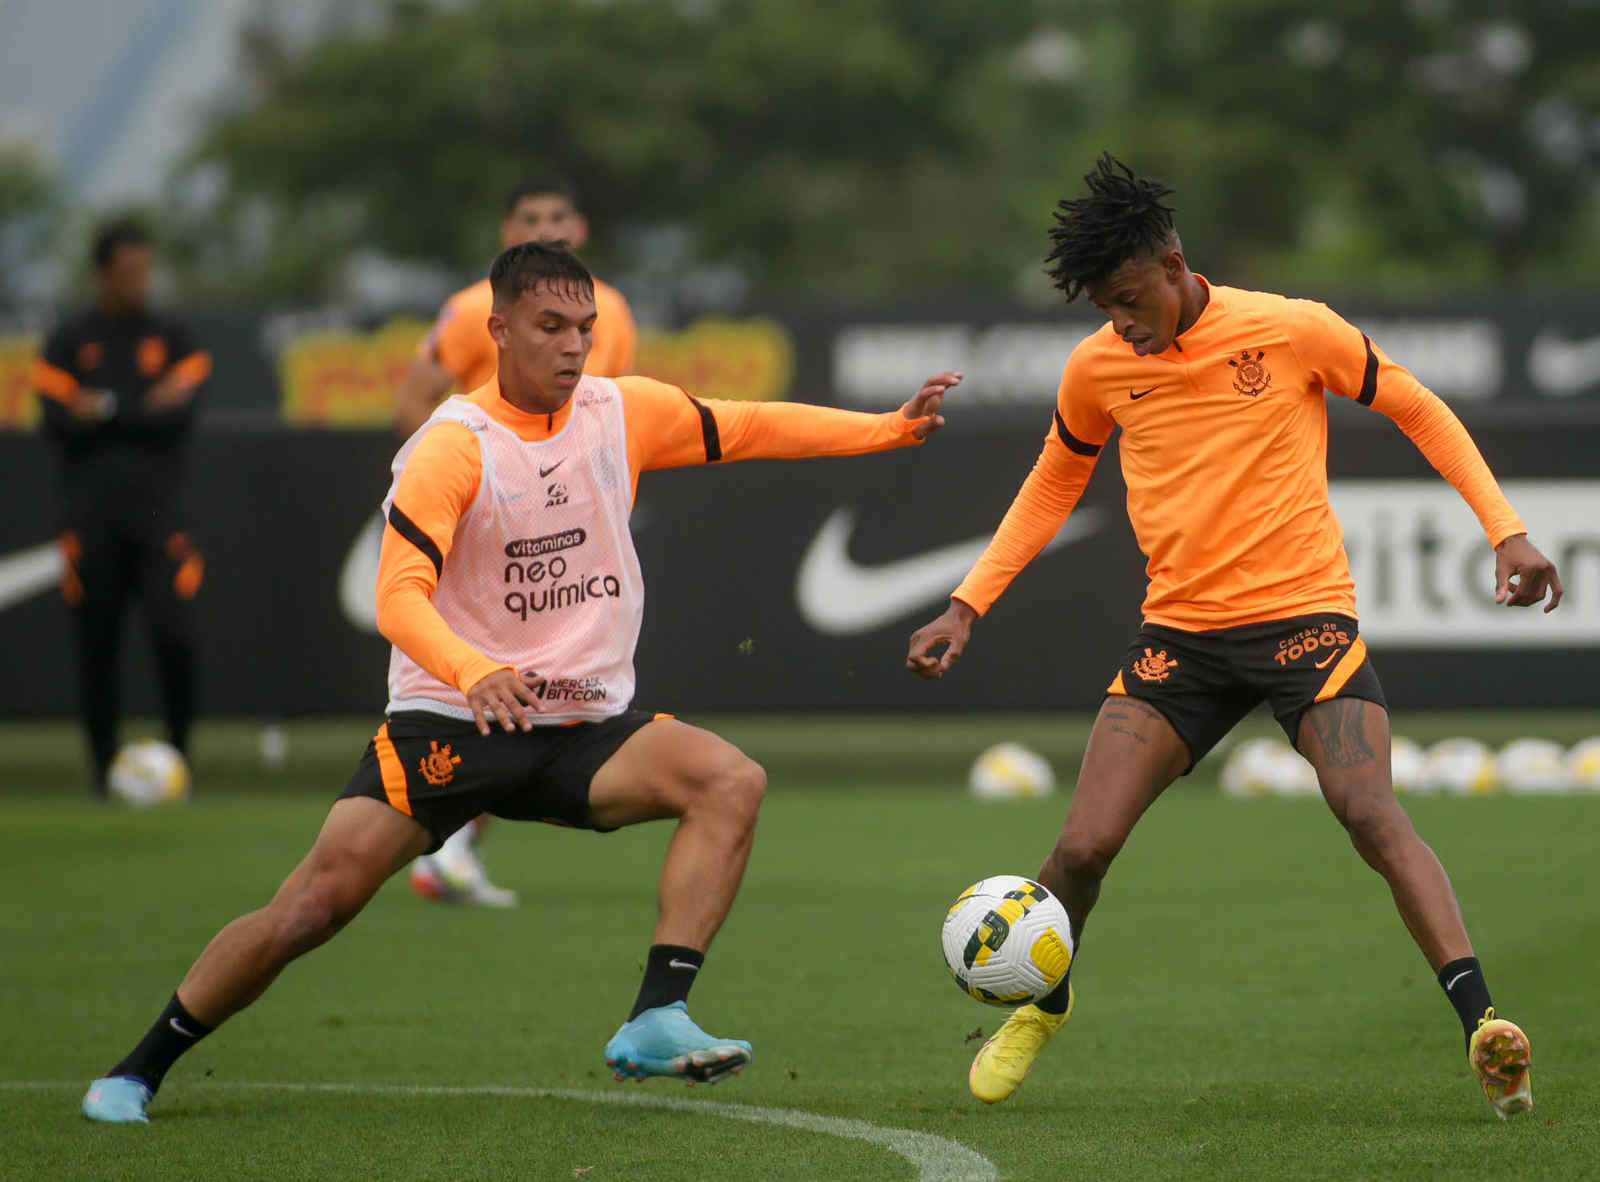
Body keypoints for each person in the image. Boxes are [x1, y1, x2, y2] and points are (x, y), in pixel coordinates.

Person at [82, 240, 957, 1123]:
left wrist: (888, 426)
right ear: (497, 329)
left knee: (730, 781)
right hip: (451, 725)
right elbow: (397, 599)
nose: (574, 346)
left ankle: (657, 1015)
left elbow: (754, 426)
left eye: (586, 327)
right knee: (310, 908)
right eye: (550, 327)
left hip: (583, 728)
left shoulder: (621, 411)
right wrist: (476, 670)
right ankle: (140, 1066)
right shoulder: (453, 446)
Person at [906, 155, 1559, 1120]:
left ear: (1174, 261)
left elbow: (1415, 404)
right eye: (1104, 308)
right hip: (1182, 643)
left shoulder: (1289, 329)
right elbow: (1053, 483)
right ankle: (1044, 1001)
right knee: (1081, 848)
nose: (1121, 323)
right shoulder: (1097, 369)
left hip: (1307, 626)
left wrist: (1505, 528)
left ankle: (1483, 1026)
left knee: (1370, 813)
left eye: (1131, 299)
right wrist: (968, 603)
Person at [393, 171, 638, 906]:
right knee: (503, 695)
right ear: (506, 232)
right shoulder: (475, 309)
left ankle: (450, 844)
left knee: (548, 694)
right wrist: (442, 502)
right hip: (487, 538)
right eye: (531, 216)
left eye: (559, 215)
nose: (547, 228)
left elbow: (608, 418)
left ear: (582, 229)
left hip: (570, 538)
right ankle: (434, 835)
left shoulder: (613, 311)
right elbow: (414, 400)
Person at [32, 219, 212, 795]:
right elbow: (57, 419)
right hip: (90, 518)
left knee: (174, 635)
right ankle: (102, 769)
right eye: (129, 272)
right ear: (104, 274)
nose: (140, 283)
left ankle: (180, 758)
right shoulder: (68, 340)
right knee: (97, 642)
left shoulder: (173, 336)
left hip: (160, 517)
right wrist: (138, 406)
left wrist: (105, 409)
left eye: (146, 271)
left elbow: (179, 413)